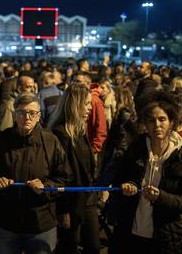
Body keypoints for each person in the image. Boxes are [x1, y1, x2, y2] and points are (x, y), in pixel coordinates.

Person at [0, 93, 71, 254]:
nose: (27, 117)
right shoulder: (1, 140)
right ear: (15, 114)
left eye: (32, 113)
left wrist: (46, 187)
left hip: (40, 224)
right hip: (5, 222)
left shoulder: (51, 141)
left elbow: (64, 178)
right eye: (22, 112)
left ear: (39, 116)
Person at [110, 92, 182, 254]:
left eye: (162, 119)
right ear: (145, 124)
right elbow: (118, 181)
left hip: (164, 236)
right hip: (129, 232)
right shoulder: (136, 149)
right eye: (151, 120)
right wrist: (128, 186)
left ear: (171, 122)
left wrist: (161, 197)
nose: (157, 124)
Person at [49, 83, 100, 254]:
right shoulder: (60, 134)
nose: (89, 108)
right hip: (72, 202)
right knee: (68, 247)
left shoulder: (79, 130)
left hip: (88, 198)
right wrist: (63, 210)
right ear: (75, 105)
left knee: (93, 247)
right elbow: (59, 175)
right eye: (86, 104)